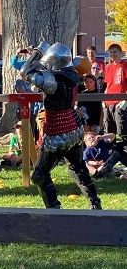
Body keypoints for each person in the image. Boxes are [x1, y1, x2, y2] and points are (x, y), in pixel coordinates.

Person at [19, 41, 102, 210]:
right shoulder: (71, 76)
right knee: (77, 168)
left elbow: (25, 71)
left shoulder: (52, 81)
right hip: (74, 128)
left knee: (39, 175)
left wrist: (38, 51)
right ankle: (95, 203)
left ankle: (54, 209)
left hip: (57, 132)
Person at [103, 43, 127, 144]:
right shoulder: (108, 67)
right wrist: (104, 99)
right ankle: (111, 156)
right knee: (109, 131)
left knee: (122, 131)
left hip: (120, 102)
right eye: (110, 52)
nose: (112, 54)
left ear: (120, 53)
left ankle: (124, 156)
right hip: (108, 102)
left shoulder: (124, 65)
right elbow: (108, 84)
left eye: (115, 52)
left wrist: (125, 100)